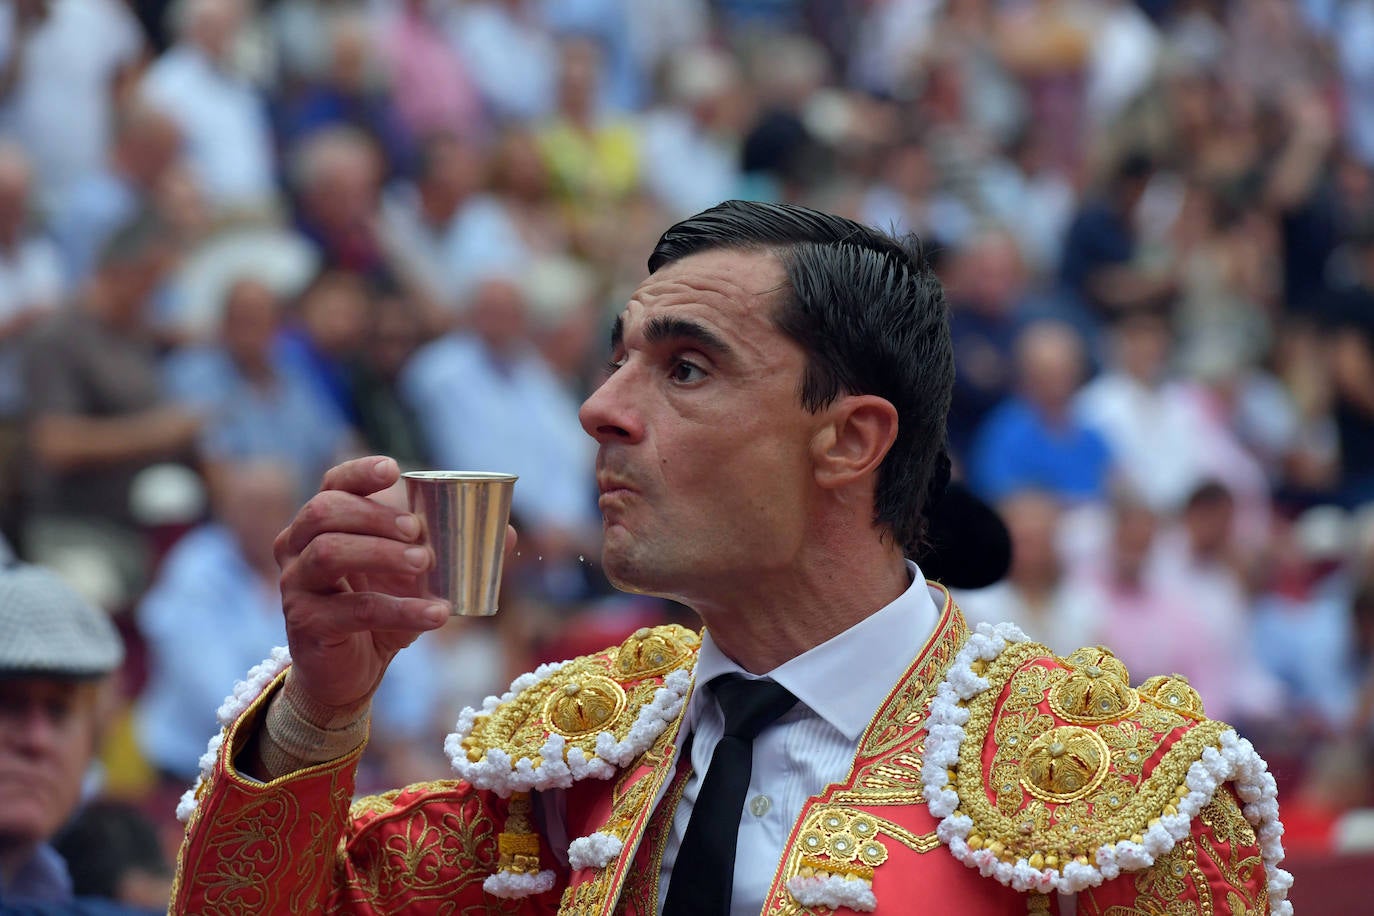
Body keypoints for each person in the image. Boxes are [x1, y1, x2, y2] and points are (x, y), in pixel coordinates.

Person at [171, 201, 1291, 914]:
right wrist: (319, 712)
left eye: (687, 368)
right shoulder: (570, 761)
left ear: (850, 438)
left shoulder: (1119, 795)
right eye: (617, 361)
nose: (600, 410)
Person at [0, 561, 158, 914]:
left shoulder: (46, 880)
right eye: (7, 704)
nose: (36, 740)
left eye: (58, 710)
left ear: (93, 741)